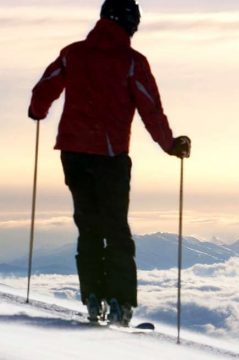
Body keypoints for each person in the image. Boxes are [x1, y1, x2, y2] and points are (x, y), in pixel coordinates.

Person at [28, 0, 191, 326]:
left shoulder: (72, 54)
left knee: (88, 226)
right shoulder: (132, 62)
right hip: (111, 156)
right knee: (116, 228)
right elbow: (150, 109)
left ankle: (93, 299)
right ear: (129, 24)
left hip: (73, 154)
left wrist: (38, 109)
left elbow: (46, 87)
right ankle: (120, 303)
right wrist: (170, 145)